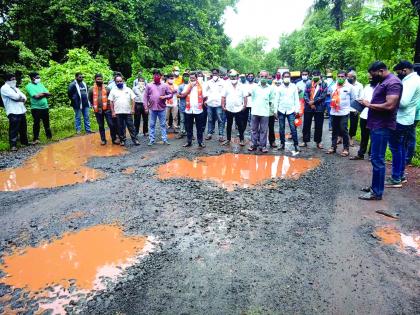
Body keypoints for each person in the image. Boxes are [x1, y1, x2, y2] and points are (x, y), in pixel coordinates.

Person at [359, 61, 403, 200]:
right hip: (376, 124)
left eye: (373, 75)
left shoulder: (393, 83)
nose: (372, 78)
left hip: (382, 126)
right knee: (375, 158)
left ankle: (377, 192)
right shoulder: (383, 81)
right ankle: (374, 186)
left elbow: (390, 105)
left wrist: (369, 105)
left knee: (378, 159)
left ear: (381, 71)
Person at [386, 61, 420, 187]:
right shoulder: (415, 79)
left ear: (404, 70)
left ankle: (396, 178)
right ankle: (400, 175)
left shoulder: (410, 82)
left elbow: (404, 102)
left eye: (399, 72)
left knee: (396, 148)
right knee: (400, 148)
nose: (398, 75)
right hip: (407, 119)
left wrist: (390, 99)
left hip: (401, 119)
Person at [326, 71, 355, 157]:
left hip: (344, 111)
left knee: (343, 129)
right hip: (334, 111)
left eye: (342, 76)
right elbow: (330, 95)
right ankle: (333, 147)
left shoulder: (350, 87)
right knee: (334, 130)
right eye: (339, 76)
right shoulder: (334, 86)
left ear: (346, 77)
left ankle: (346, 149)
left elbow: (353, 98)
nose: (340, 78)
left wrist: (352, 109)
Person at [143, 69, 173, 146]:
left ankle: (165, 139)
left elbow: (170, 94)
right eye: (155, 75)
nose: (156, 76)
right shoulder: (149, 85)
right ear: (153, 76)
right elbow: (145, 97)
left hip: (162, 108)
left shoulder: (165, 85)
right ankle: (151, 140)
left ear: (160, 76)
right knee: (152, 124)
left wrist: (164, 97)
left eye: (158, 75)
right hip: (152, 109)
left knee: (163, 124)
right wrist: (146, 107)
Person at [350, 74, 376, 160]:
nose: (370, 79)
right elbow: (362, 98)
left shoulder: (381, 87)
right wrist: (360, 102)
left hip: (374, 116)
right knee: (364, 135)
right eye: (369, 78)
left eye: (372, 78)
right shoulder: (367, 86)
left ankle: (371, 154)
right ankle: (361, 154)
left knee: (373, 136)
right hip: (364, 115)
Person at [109, 75, 140, 146]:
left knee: (131, 126)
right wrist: (113, 111)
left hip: (128, 112)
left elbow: (133, 99)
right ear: (115, 82)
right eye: (117, 81)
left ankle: (135, 140)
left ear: (123, 81)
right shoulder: (113, 91)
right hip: (118, 112)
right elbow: (111, 101)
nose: (119, 82)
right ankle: (122, 140)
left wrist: (132, 109)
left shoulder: (128, 89)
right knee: (120, 127)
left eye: (120, 81)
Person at [248, 70, 275, 153]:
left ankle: (263, 146)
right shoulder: (254, 87)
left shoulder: (270, 88)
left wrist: (271, 111)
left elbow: (271, 101)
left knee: (264, 130)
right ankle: (253, 145)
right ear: (259, 77)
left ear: (267, 77)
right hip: (255, 111)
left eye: (265, 77)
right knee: (253, 130)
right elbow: (252, 98)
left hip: (265, 113)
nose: (263, 78)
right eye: (262, 76)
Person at [300, 70, 328, 149]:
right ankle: (305, 141)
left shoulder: (324, 84)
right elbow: (305, 95)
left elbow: (323, 96)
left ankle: (318, 142)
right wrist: (309, 102)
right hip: (308, 107)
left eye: (317, 75)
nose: (315, 76)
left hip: (319, 108)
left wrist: (313, 102)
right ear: (311, 75)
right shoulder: (308, 83)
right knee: (306, 125)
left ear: (320, 75)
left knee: (319, 126)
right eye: (314, 75)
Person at [1, 73, 28, 151]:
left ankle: (24, 142)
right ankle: (13, 145)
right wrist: (19, 98)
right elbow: (16, 97)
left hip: (21, 110)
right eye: (13, 79)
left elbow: (24, 97)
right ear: (7, 80)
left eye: (14, 79)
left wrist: (20, 98)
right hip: (13, 111)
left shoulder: (15, 88)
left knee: (23, 128)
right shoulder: (4, 88)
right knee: (14, 129)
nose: (14, 80)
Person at [88, 73, 118, 145]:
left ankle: (114, 139)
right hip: (98, 110)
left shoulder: (107, 89)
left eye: (101, 79)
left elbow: (111, 99)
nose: (99, 80)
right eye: (98, 79)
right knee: (101, 125)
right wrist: (95, 106)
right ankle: (103, 140)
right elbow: (90, 99)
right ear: (95, 80)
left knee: (111, 124)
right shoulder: (91, 89)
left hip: (107, 109)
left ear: (102, 80)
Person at [180, 72, 207, 148]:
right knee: (188, 127)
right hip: (188, 110)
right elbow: (183, 94)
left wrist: (203, 102)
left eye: (193, 78)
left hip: (198, 110)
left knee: (199, 127)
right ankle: (189, 142)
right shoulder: (186, 86)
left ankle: (200, 142)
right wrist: (190, 87)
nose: (192, 79)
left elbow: (205, 96)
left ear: (196, 78)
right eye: (191, 78)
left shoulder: (201, 86)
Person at [275, 71, 300, 152]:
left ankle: (296, 145)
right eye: (285, 76)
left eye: (288, 76)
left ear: (290, 78)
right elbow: (276, 100)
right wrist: (275, 111)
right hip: (281, 110)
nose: (286, 78)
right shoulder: (279, 88)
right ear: (282, 78)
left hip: (291, 111)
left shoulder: (294, 87)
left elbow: (296, 99)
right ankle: (282, 144)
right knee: (281, 129)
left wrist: (297, 110)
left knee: (293, 128)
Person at [221, 70, 247, 146]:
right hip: (229, 108)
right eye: (231, 77)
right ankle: (228, 139)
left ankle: (242, 140)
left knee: (240, 125)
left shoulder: (242, 86)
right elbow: (223, 96)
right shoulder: (226, 85)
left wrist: (244, 106)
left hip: (239, 109)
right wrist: (223, 105)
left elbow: (245, 97)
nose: (233, 78)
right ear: (229, 77)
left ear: (237, 77)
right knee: (229, 124)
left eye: (234, 76)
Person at [26, 72, 52, 144]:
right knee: (36, 123)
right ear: (33, 78)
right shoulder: (29, 86)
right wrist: (44, 94)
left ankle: (49, 137)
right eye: (37, 77)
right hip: (36, 108)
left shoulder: (40, 84)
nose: (39, 78)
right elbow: (36, 97)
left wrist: (43, 94)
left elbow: (49, 94)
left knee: (47, 123)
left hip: (45, 107)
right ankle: (36, 138)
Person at [204, 68, 225, 141]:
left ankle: (221, 135)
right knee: (210, 119)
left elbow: (225, 93)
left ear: (218, 74)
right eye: (213, 73)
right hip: (210, 104)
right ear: (212, 74)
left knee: (220, 120)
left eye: (216, 73)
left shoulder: (223, 82)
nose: (214, 75)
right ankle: (209, 134)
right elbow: (204, 91)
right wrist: (206, 99)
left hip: (219, 104)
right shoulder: (208, 82)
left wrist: (224, 103)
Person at [347, 70, 364, 146]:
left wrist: (358, 108)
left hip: (354, 108)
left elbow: (361, 97)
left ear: (353, 77)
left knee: (353, 124)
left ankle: (351, 138)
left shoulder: (360, 85)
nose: (348, 78)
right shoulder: (346, 84)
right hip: (345, 107)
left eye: (349, 77)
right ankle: (340, 137)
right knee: (342, 123)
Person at [176, 72, 190, 139]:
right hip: (182, 105)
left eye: (187, 76)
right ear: (183, 78)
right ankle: (181, 132)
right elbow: (177, 95)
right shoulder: (181, 86)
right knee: (182, 120)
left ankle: (189, 133)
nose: (186, 77)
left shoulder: (191, 86)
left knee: (188, 120)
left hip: (189, 106)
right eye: (185, 76)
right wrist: (183, 95)